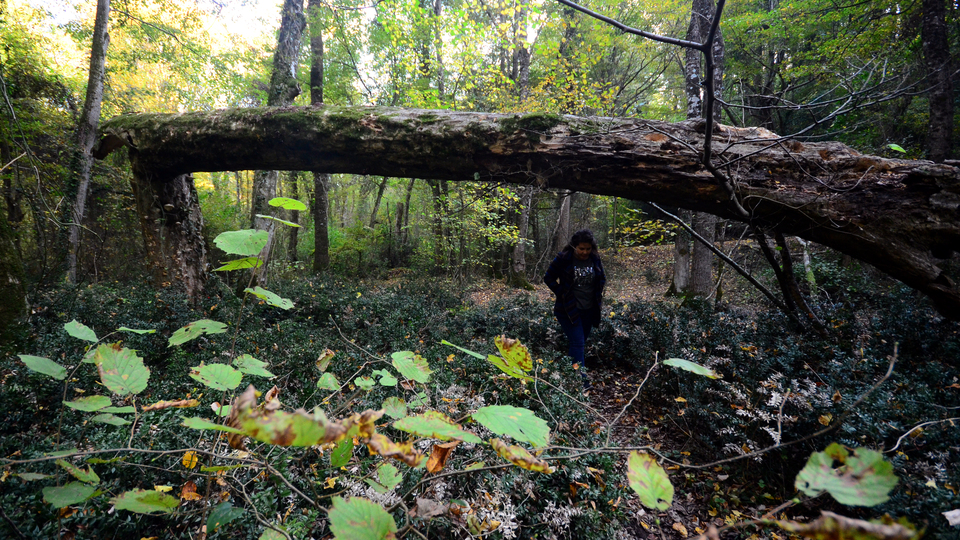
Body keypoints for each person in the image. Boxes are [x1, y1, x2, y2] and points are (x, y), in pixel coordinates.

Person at [544, 229, 606, 390]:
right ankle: (581, 382)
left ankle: (569, 373)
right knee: (578, 343)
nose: (585, 252)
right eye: (581, 249)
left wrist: (597, 296)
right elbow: (548, 277)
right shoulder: (564, 259)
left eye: (587, 248)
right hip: (568, 310)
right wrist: (561, 293)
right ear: (574, 246)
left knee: (579, 343)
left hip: (589, 310)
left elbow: (602, 278)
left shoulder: (594, 258)